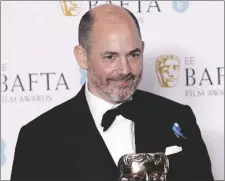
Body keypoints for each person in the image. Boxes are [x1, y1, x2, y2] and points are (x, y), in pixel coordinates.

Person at [11, 4, 214, 181]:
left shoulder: (178, 117)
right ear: (82, 57)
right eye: (110, 57)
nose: (125, 69)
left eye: (134, 55)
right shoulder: (38, 138)